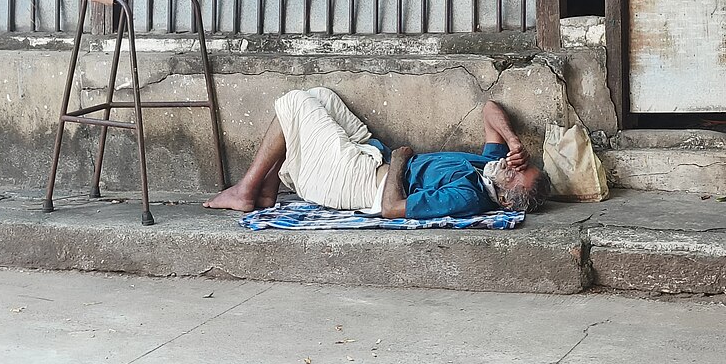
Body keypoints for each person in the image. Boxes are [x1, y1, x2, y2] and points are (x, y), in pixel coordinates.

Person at [204, 87, 551, 218]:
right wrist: (514, 140)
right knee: (321, 95)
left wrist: (400, 160)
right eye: (520, 163)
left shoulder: (467, 195)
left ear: (506, 200)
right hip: (373, 158)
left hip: (359, 184)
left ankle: (247, 189)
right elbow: (489, 108)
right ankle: (265, 188)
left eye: (518, 172)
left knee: (296, 101)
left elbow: (391, 209)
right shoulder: (487, 167)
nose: (512, 164)